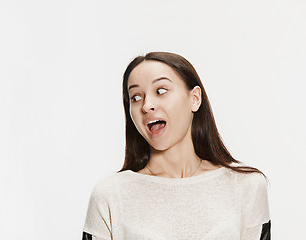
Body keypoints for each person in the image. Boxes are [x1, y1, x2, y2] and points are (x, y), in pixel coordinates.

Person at [82, 52, 270, 240]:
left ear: (194, 98)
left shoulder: (247, 187)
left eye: (161, 91)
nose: (147, 105)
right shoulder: (109, 195)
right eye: (136, 97)